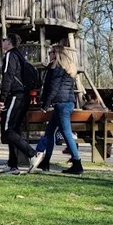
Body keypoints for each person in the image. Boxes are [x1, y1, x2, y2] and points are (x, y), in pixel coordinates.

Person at [30, 44, 83, 175]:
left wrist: (45, 105)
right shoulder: (67, 68)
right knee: (49, 132)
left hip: (61, 104)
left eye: (50, 52)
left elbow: (53, 88)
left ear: (56, 53)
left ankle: (77, 163)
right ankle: (46, 161)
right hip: (66, 103)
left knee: (65, 132)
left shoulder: (57, 68)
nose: (49, 55)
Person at [0, 33, 38, 175]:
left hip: (15, 96)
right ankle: (12, 164)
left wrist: (2, 98)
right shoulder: (21, 56)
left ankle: (33, 154)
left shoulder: (10, 55)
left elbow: (8, 77)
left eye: (3, 40)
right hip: (23, 96)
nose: (1, 42)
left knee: (8, 130)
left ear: (9, 42)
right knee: (14, 131)